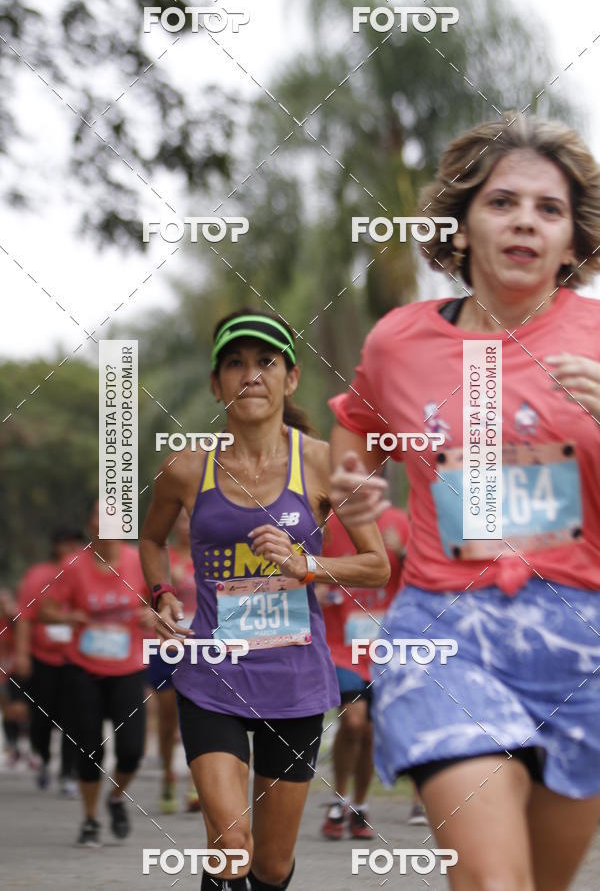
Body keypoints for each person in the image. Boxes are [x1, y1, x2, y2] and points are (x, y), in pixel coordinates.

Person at [328, 112, 600, 890]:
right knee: (492, 881)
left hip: (582, 642)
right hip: (445, 634)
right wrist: (353, 493)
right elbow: (355, 429)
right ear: (460, 225)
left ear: (574, 243)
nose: (525, 221)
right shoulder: (398, 344)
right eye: (502, 202)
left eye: (549, 210)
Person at [139, 308, 389, 890]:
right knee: (230, 844)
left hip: (294, 681)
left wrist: (308, 565)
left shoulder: (325, 462)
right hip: (211, 677)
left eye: (265, 362)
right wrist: (161, 594)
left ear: (290, 378)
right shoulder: (185, 469)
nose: (250, 374)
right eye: (235, 363)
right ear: (216, 383)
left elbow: (376, 564)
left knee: (272, 866)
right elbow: (150, 539)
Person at [39, 500, 153, 847]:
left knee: (132, 750)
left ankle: (116, 798)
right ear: (91, 524)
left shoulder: (138, 561)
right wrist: (66, 617)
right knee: (90, 749)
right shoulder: (72, 565)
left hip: (128, 667)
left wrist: (152, 614)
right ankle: (90, 819)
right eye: (100, 516)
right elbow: (45, 609)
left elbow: (157, 601)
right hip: (83, 668)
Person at [316, 504, 425, 838]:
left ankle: (358, 807)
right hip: (341, 643)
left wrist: (403, 552)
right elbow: (303, 563)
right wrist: (315, 584)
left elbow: (422, 577)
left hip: (384, 645)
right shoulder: (328, 523)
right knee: (352, 720)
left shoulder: (400, 521)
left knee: (370, 732)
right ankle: (339, 799)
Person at [13, 526, 85, 794]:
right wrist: (22, 654)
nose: (70, 550)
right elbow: (25, 618)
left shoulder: (84, 572)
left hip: (76, 657)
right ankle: (42, 759)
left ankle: (68, 773)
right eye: (65, 544)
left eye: (75, 544)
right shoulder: (38, 576)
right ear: (55, 547)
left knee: (74, 717)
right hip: (42, 657)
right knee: (41, 717)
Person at [146, 508, 200, 813]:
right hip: (167, 645)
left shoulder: (212, 556)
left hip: (202, 644)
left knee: (199, 712)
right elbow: (144, 601)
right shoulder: (162, 558)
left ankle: (197, 781)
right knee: (168, 718)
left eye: (193, 519)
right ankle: (168, 774)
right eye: (181, 519)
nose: (188, 525)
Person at [0, 588, 31, 769]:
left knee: (21, 710)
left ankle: (26, 746)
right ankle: (13, 748)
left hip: (16, 672)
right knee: (8, 710)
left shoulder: (15, 621)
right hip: (2, 675)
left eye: (5, 602)